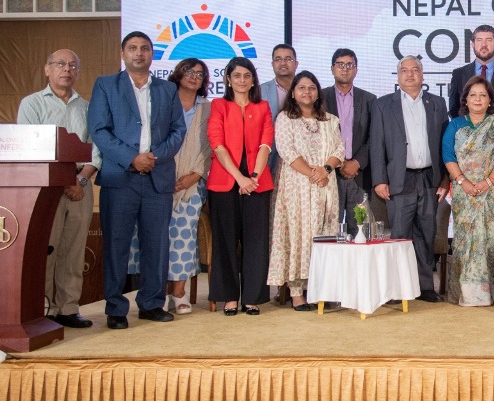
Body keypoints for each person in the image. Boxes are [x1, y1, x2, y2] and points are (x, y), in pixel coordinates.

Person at [88, 32, 186, 329]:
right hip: (121, 178)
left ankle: (152, 303)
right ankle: (116, 308)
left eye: (145, 48)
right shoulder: (106, 85)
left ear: (152, 54)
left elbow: (177, 130)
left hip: (157, 177)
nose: (139, 53)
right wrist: (132, 157)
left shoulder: (167, 89)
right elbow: (100, 130)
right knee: (116, 244)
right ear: (123, 53)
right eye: (133, 48)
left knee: (156, 244)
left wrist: (154, 156)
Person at [17, 49, 102, 328]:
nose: (67, 69)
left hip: (81, 184)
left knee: (74, 250)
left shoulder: (88, 107)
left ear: (78, 72)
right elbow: (28, 147)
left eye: (73, 65)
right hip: (45, 187)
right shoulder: (31, 104)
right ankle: (41, 309)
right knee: (45, 249)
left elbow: (96, 149)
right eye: (60, 64)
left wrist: (81, 179)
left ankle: (67, 308)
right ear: (47, 69)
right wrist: (65, 180)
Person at [126, 58, 212, 315]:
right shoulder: (161, 101)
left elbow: (210, 148)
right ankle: (157, 292)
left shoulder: (208, 107)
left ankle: (179, 293)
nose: (194, 76)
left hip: (191, 183)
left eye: (200, 73)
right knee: (155, 237)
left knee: (183, 237)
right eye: (189, 71)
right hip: (156, 178)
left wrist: (194, 175)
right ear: (178, 73)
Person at [370, 56, 449, 302]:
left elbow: (445, 145)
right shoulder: (384, 105)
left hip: (429, 178)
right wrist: (379, 179)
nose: (410, 74)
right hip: (399, 179)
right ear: (398, 76)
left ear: (423, 75)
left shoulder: (436, 103)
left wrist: (445, 179)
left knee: (426, 233)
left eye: (415, 69)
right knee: (400, 235)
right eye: (404, 70)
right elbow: (376, 144)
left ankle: (425, 287)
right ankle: (396, 288)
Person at [268, 71, 343, 311]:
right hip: (296, 186)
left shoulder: (330, 120)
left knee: (324, 234)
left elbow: (339, 149)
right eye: (302, 88)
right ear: (293, 93)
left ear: (317, 93)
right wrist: (312, 173)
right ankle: (296, 292)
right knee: (298, 234)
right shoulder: (285, 119)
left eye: (311, 88)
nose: (307, 92)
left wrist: (326, 169)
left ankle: (320, 288)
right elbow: (286, 151)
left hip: (325, 184)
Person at [207, 57, 274, 316]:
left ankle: (252, 297)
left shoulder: (264, 107)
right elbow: (217, 145)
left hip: (257, 181)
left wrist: (253, 176)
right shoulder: (219, 106)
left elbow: (266, 144)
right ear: (228, 79)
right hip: (226, 181)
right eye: (237, 76)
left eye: (247, 75)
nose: (242, 80)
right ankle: (228, 296)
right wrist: (240, 178)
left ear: (253, 79)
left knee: (256, 241)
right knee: (225, 240)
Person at [441, 76, 494, 306]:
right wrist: (464, 182)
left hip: (493, 192)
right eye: (473, 95)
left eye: (483, 95)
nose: (478, 99)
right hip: (465, 193)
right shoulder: (455, 125)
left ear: (490, 99)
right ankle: (468, 294)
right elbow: (448, 156)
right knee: (467, 241)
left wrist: (488, 182)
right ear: (466, 99)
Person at [321, 48, 377, 236]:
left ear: (356, 70)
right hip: (328, 174)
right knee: (329, 230)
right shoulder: (319, 98)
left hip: (358, 175)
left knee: (360, 231)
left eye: (349, 65)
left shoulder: (369, 99)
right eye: (340, 64)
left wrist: (356, 162)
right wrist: (335, 162)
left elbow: (374, 137)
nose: (344, 69)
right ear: (332, 68)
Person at [448, 24, 494, 118]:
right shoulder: (459, 74)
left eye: (489, 40)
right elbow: (454, 109)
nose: (484, 45)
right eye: (479, 40)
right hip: (467, 131)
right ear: (473, 44)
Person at [260, 43, 298, 172]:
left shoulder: (307, 90)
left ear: (296, 64)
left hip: (300, 158)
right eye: (278, 59)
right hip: (268, 157)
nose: (283, 63)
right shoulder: (259, 92)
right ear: (272, 64)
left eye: (288, 59)